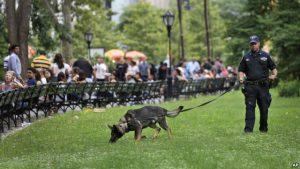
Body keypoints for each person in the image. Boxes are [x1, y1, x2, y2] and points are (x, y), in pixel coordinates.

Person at [238, 35, 277, 133]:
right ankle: (248, 130)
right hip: (250, 86)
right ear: (249, 45)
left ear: (258, 43)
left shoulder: (265, 55)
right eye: (251, 44)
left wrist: (273, 76)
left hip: (263, 86)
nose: (253, 45)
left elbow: (274, 69)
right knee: (250, 108)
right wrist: (241, 78)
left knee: (264, 108)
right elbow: (241, 70)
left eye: (255, 43)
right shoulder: (246, 57)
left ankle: (263, 129)